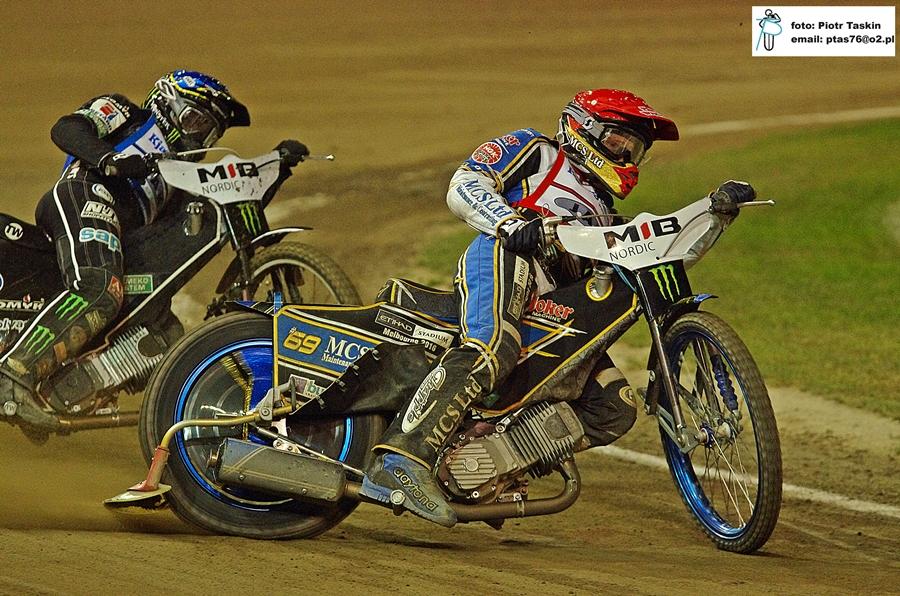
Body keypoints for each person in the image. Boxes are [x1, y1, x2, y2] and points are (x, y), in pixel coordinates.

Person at [360, 89, 756, 526]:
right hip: (505, 257)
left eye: (636, 150)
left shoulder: (605, 213)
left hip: (551, 304)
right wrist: (510, 222)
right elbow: (465, 183)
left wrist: (715, 216)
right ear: (584, 129)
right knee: (492, 348)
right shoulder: (536, 149)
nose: (628, 157)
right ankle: (398, 460)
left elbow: (667, 253)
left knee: (614, 407)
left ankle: (485, 465)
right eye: (620, 142)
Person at [0, 70, 308, 431]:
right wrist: (109, 160)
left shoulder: (177, 178)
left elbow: (223, 208)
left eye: (210, 133)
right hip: (84, 193)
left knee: (166, 335)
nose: (200, 138)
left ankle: (63, 392)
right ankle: (12, 375)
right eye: (195, 121)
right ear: (166, 103)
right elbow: (67, 128)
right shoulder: (126, 112)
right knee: (100, 288)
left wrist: (276, 168)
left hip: (119, 236)